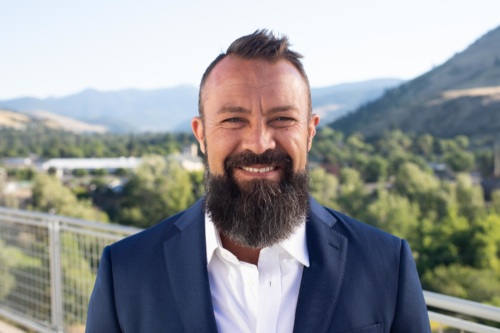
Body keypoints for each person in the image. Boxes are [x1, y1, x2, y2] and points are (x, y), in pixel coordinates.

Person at [86, 30, 431, 333]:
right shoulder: (127, 272)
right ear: (201, 134)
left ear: (310, 132)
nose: (259, 143)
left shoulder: (387, 263)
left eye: (282, 118)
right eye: (234, 119)